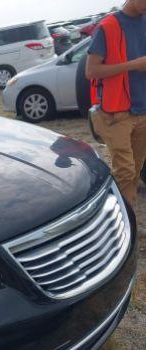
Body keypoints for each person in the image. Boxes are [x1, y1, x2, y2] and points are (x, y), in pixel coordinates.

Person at [86, 0, 146, 208]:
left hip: (143, 110)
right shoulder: (108, 26)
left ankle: (126, 221)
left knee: (134, 173)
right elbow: (91, 71)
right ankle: (114, 218)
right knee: (125, 171)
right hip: (115, 113)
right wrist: (133, 65)